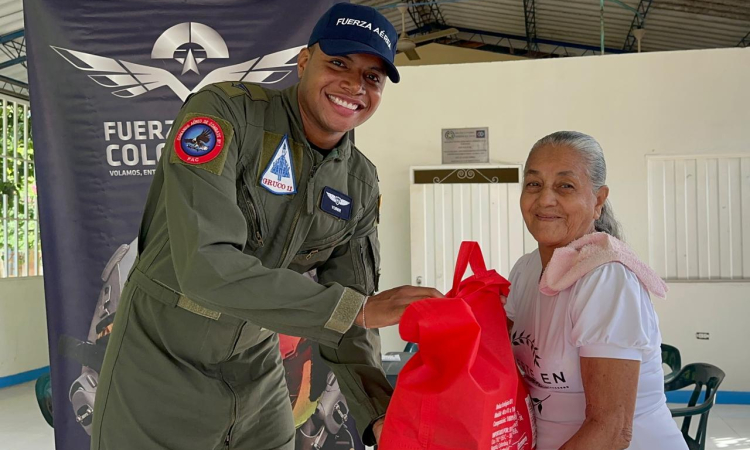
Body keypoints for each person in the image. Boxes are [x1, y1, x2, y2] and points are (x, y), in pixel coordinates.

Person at [90, 4, 442, 450]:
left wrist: (380, 417)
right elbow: (205, 266)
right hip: (160, 366)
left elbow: (352, 318)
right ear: (302, 62)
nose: (354, 85)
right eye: (339, 63)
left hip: (257, 370)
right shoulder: (224, 114)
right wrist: (359, 309)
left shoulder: (359, 183)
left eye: (372, 77)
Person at [505, 131, 687, 450]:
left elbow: (611, 430)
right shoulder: (525, 270)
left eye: (565, 185)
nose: (545, 198)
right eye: (533, 184)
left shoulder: (606, 279)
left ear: (598, 200)